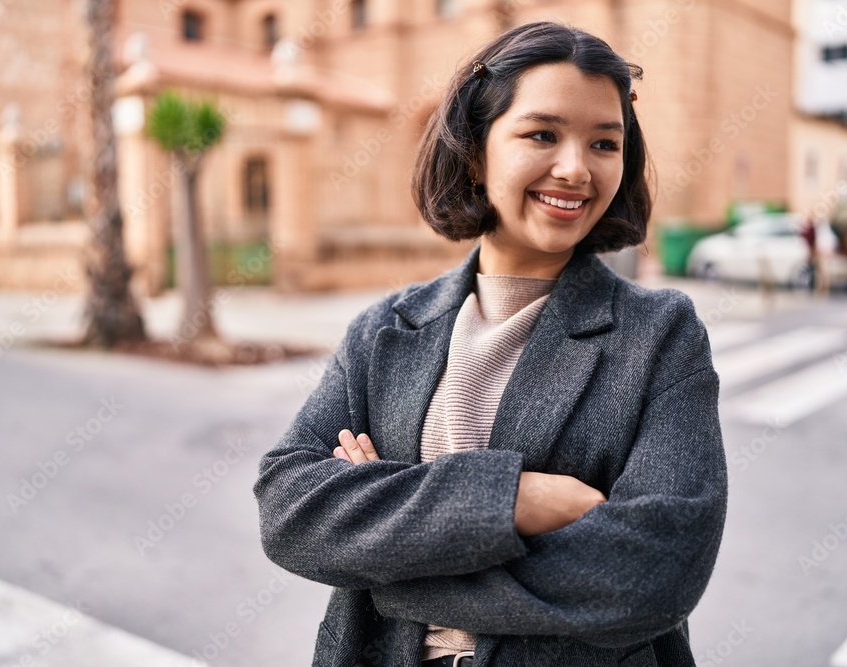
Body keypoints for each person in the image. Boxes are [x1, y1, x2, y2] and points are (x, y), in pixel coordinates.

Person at [254, 21, 727, 667]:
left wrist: (386, 549)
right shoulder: (385, 330)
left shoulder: (660, 334)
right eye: (542, 134)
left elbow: (657, 569)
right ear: (476, 152)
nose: (576, 168)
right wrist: (513, 499)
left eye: (604, 143)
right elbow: (291, 509)